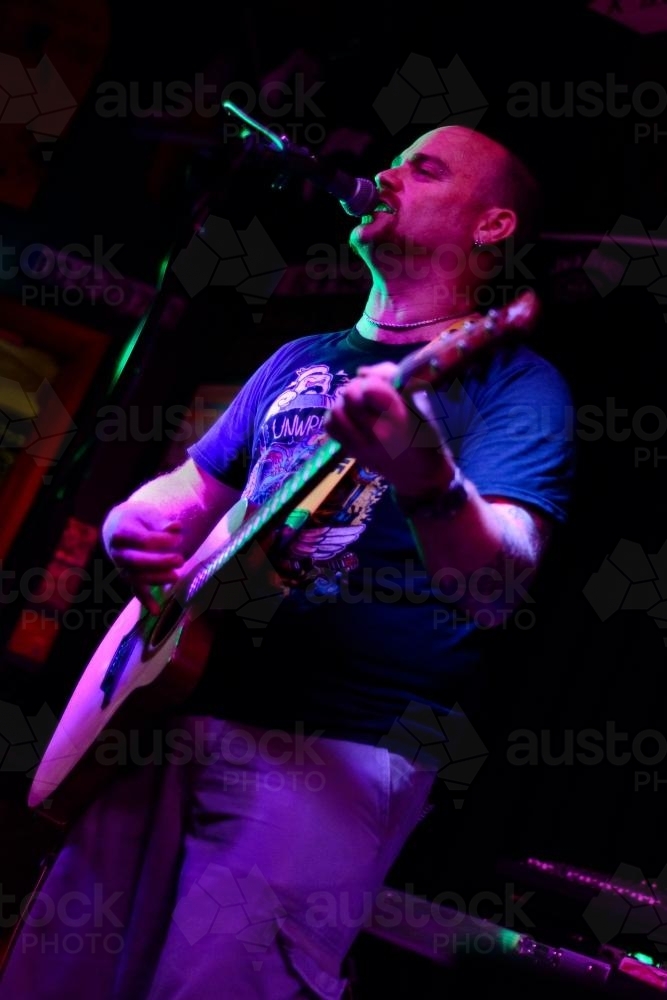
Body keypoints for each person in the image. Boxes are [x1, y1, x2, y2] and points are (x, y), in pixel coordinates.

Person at [0, 124, 575, 999]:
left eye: (423, 168)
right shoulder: (299, 359)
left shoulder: (512, 381)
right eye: (393, 159)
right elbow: (181, 500)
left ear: (491, 227)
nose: (385, 174)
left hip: (335, 748)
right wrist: (127, 524)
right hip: (166, 714)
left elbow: (496, 585)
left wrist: (424, 474)